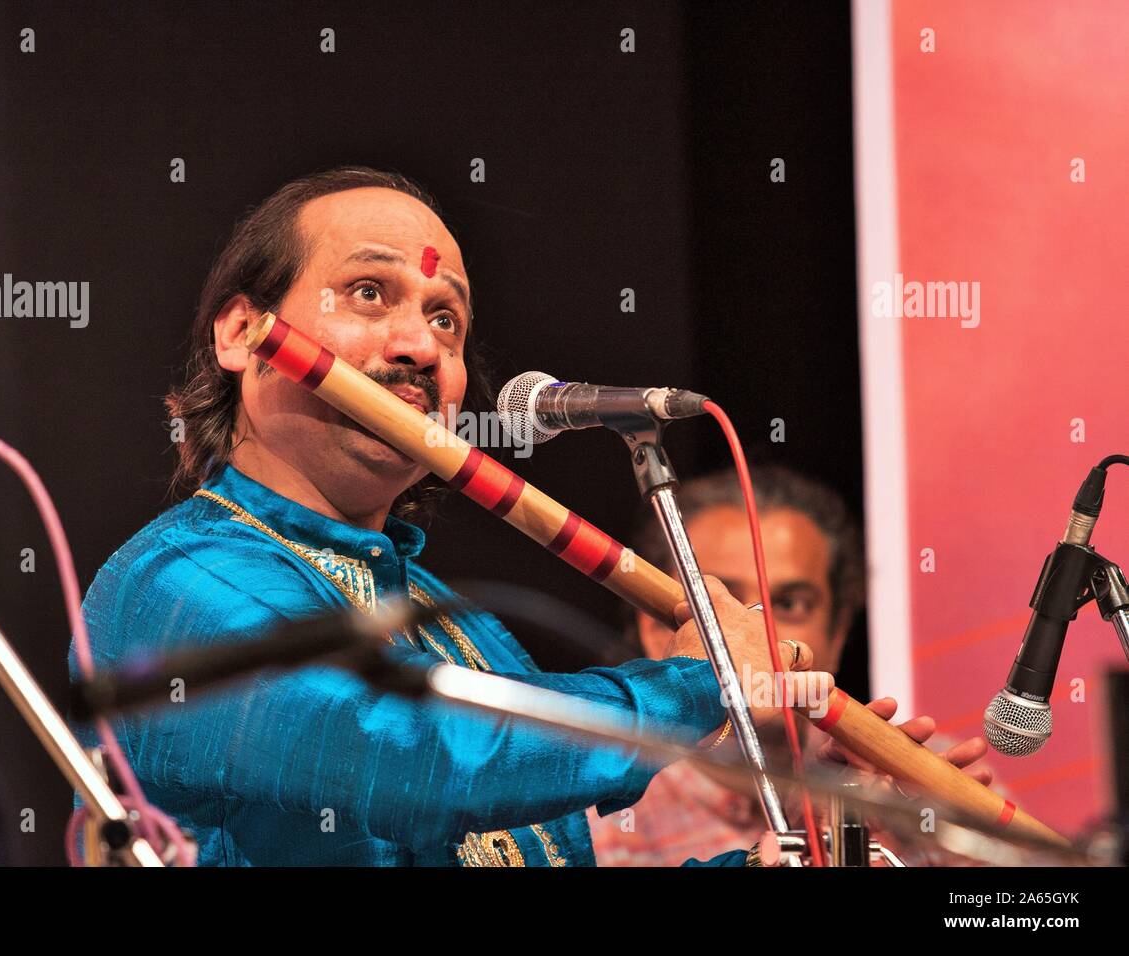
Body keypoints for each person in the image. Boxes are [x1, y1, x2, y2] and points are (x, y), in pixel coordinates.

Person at [70, 167, 969, 866]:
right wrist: (703, 684)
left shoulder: (463, 634)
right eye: (370, 294)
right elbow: (407, 761)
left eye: (447, 321)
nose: (420, 345)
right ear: (241, 333)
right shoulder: (169, 588)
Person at [588, 466, 994, 866]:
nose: (759, 628)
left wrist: (941, 852)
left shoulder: (925, 788)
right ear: (658, 634)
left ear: (837, 633)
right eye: (723, 604)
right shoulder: (593, 827)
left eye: (789, 604)